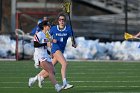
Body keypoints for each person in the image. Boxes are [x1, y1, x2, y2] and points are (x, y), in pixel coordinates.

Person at [28, 13, 77, 89]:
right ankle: (64, 83)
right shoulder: (54, 28)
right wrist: (50, 42)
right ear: (58, 21)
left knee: (49, 70)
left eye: (63, 20)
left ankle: (36, 78)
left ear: (65, 21)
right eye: (60, 20)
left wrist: (74, 43)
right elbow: (47, 35)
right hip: (55, 49)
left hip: (61, 50)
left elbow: (72, 39)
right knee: (65, 63)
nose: (61, 21)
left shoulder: (68, 29)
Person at [28, 20, 63, 92]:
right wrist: (45, 44)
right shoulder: (39, 34)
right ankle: (57, 87)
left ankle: (35, 78)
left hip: (46, 55)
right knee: (50, 71)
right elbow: (35, 45)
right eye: (48, 26)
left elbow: (49, 44)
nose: (49, 27)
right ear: (44, 27)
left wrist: (51, 52)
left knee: (53, 72)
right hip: (39, 56)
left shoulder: (47, 34)